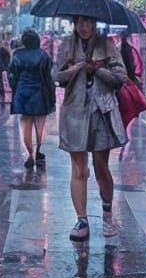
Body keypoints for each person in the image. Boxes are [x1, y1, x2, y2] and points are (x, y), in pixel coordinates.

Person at [54, 13, 128, 243]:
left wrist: (98, 70)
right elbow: (55, 75)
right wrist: (73, 70)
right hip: (74, 112)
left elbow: (121, 77)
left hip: (101, 111)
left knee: (100, 165)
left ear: (94, 23)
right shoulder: (66, 45)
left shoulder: (107, 44)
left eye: (87, 22)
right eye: (79, 22)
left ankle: (107, 213)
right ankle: (81, 220)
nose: (83, 26)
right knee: (78, 169)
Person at [7, 28, 55, 168]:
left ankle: (29, 154)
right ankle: (39, 151)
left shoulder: (17, 55)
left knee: (25, 124)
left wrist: (16, 88)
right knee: (40, 125)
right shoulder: (43, 55)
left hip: (22, 92)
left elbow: (12, 75)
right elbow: (48, 77)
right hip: (40, 92)